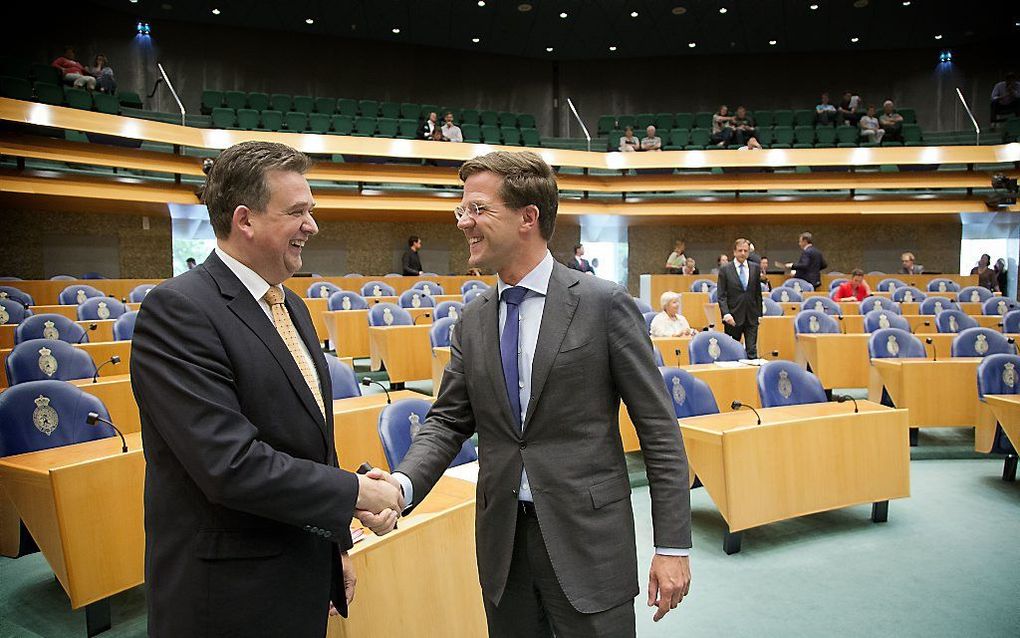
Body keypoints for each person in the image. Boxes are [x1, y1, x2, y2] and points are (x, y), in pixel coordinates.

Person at [361, 150, 691, 635]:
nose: (463, 222)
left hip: (589, 543)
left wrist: (673, 547)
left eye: (477, 209)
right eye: (462, 210)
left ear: (527, 217)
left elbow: (659, 431)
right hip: (504, 546)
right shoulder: (472, 320)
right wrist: (401, 485)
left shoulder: (603, 304)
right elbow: (449, 420)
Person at [130, 141, 404, 636]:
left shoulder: (290, 306)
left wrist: (334, 544)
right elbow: (229, 465)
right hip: (227, 595)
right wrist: (355, 492)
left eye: (311, 211)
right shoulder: (179, 311)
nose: (312, 225)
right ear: (245, 219)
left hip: (299, 573)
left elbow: (306, 445)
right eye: (297, 212)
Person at [717, 238, 762, 358]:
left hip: (751, 316)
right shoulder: (725, 269)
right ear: (734, 252)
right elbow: (721, 295)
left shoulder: (755, 268)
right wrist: (726, 314)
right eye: (740, 250)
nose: (743, 253)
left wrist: (759, 314)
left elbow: (757, 293)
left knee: (752, 351)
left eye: (745, 251)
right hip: (733, 316)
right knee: (732, 352)